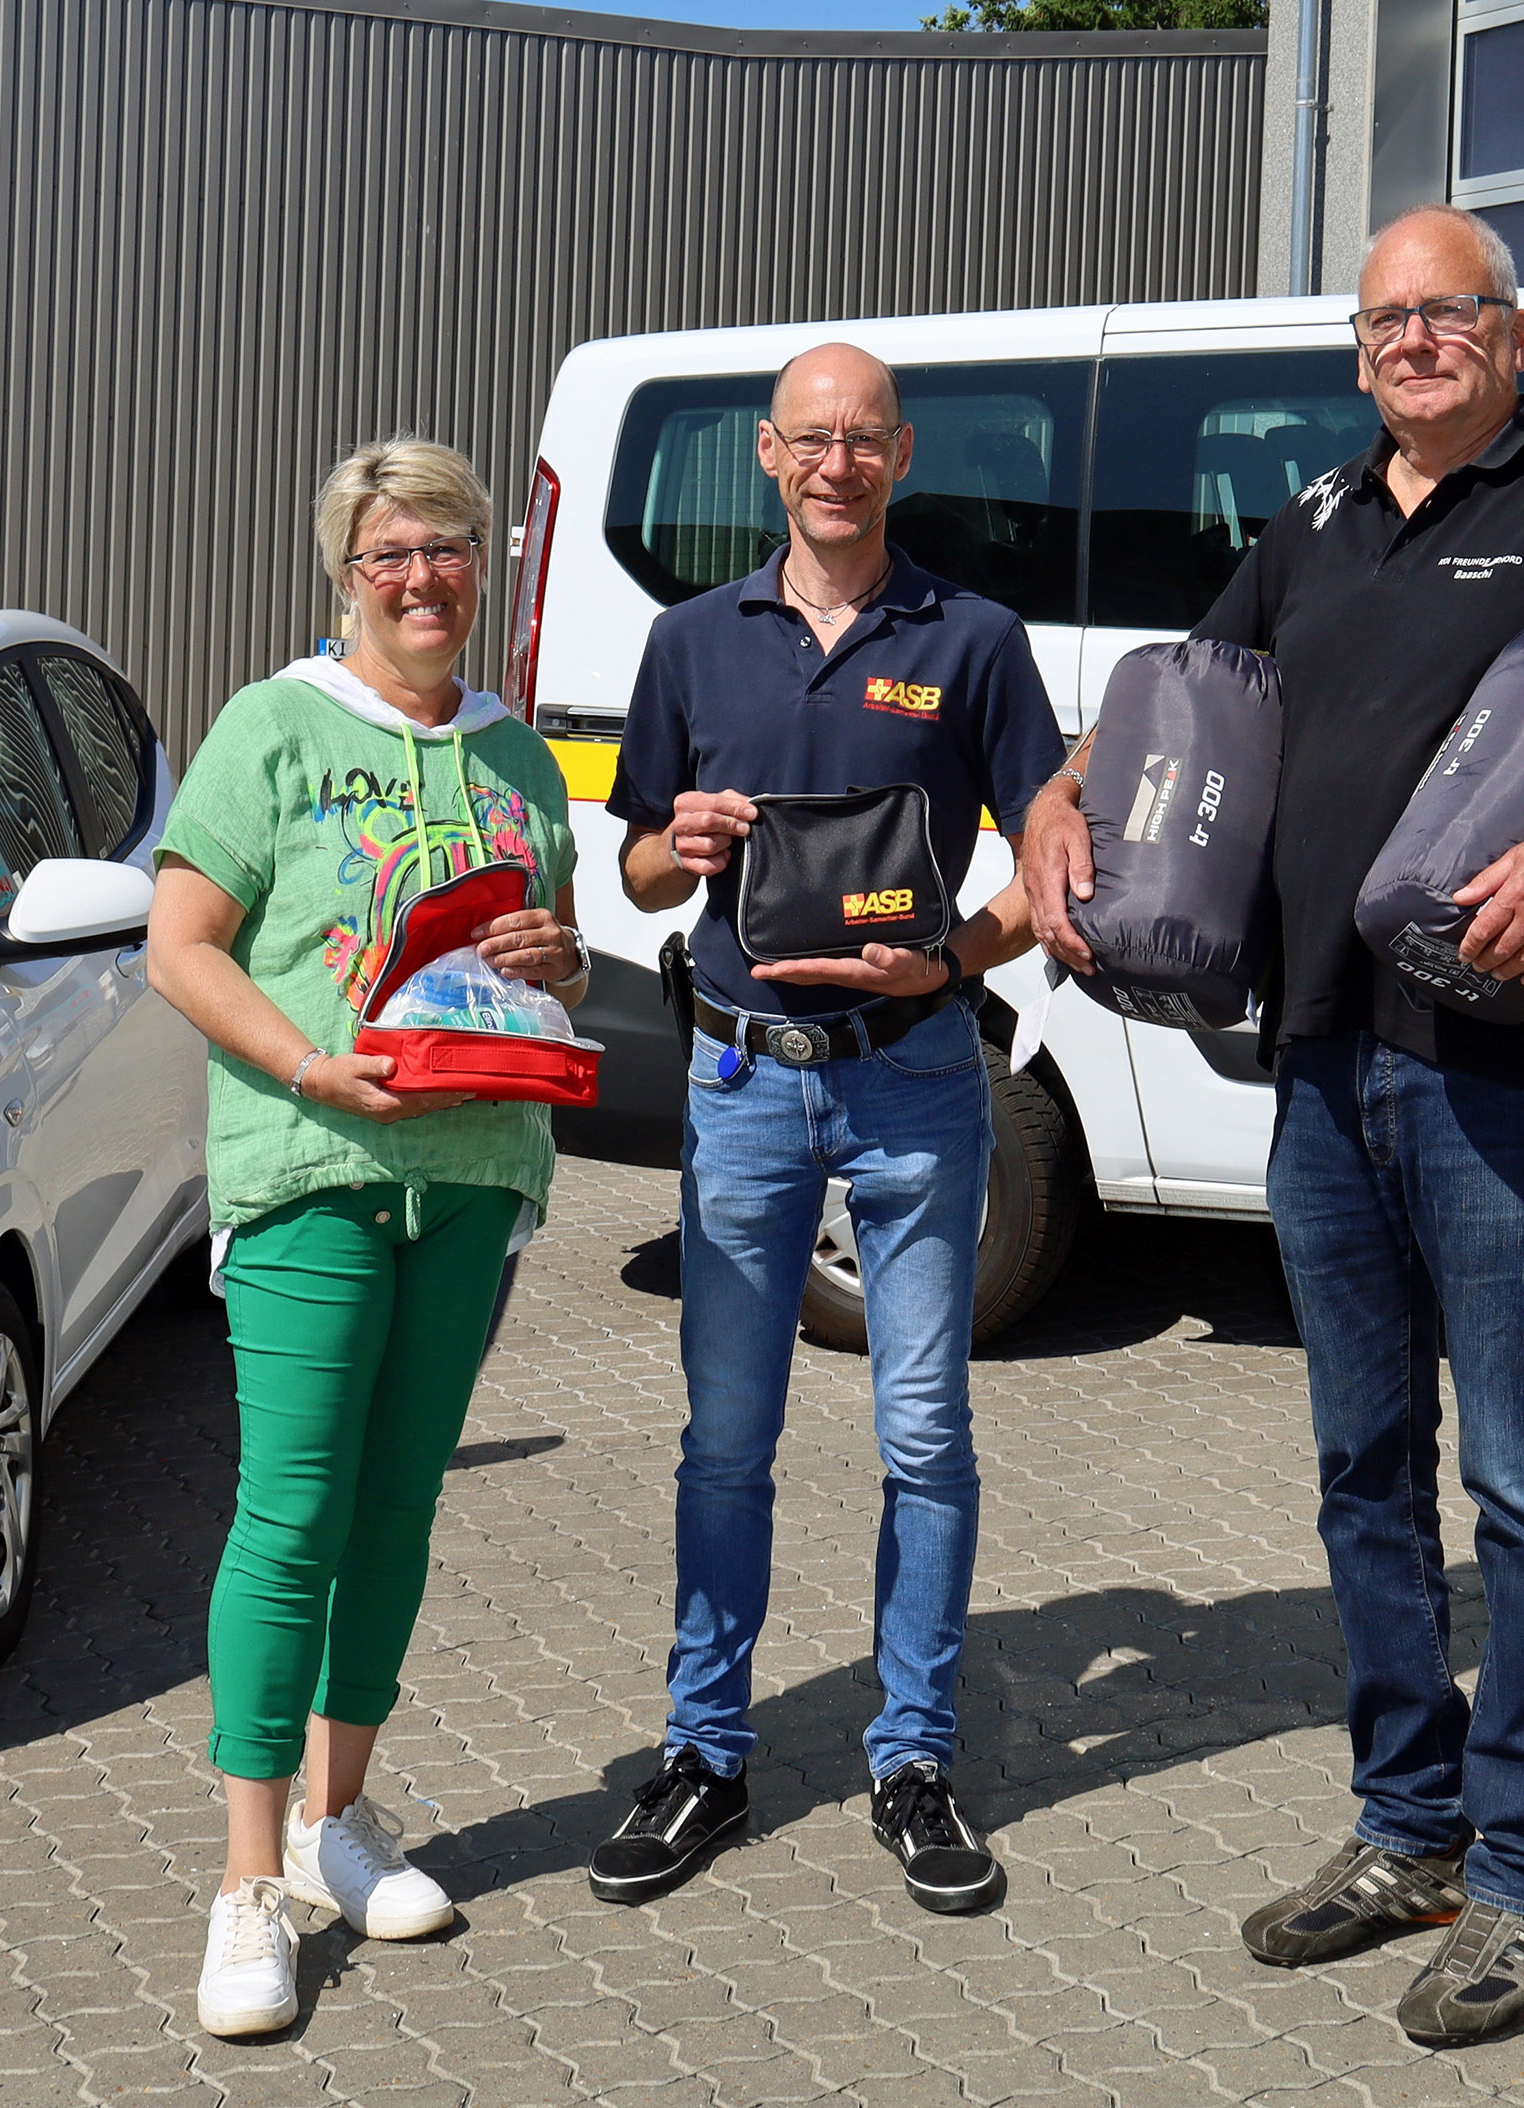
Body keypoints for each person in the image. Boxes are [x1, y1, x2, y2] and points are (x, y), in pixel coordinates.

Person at [1022, 207, 1524, 2045]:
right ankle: (1408, 1833)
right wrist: (1058, 798)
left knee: (1522, 1482)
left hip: (1493, 1074)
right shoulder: (1312, 518)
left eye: (1450, 314)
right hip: (1316, 1062)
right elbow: (1179, 694)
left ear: (1514, 338)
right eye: (1385, 321)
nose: (1415, 342)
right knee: (1362, 1468)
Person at [594, 344, 1062, 1918]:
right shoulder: (690, 642)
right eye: (813, 439)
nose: (838, 464)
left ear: (901, 455)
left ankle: (914, 1758)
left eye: (864, 439)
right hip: (741, 1086)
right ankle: (704, 1753)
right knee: (726, 1441)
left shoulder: (975, 639)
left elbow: (1050, 860)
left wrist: (955, 959)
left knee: (923, 1435)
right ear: (768, 455)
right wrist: (678, 843)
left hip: (913, 1079)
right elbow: (638, 872)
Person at [144, 436, 586, 2038]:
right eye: (388, 554)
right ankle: (246, 1884)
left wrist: (557, 956)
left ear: (481, 566)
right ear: (344, 576)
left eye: (446, 548)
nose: (420, 579)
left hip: (470, 1173)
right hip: (313, 1165)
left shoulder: (518, 758)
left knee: (396, 1512)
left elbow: (555, 957)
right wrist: (303, 1062)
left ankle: (340, 1822)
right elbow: (181, 946)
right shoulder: (271, 727)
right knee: (294, 1515)